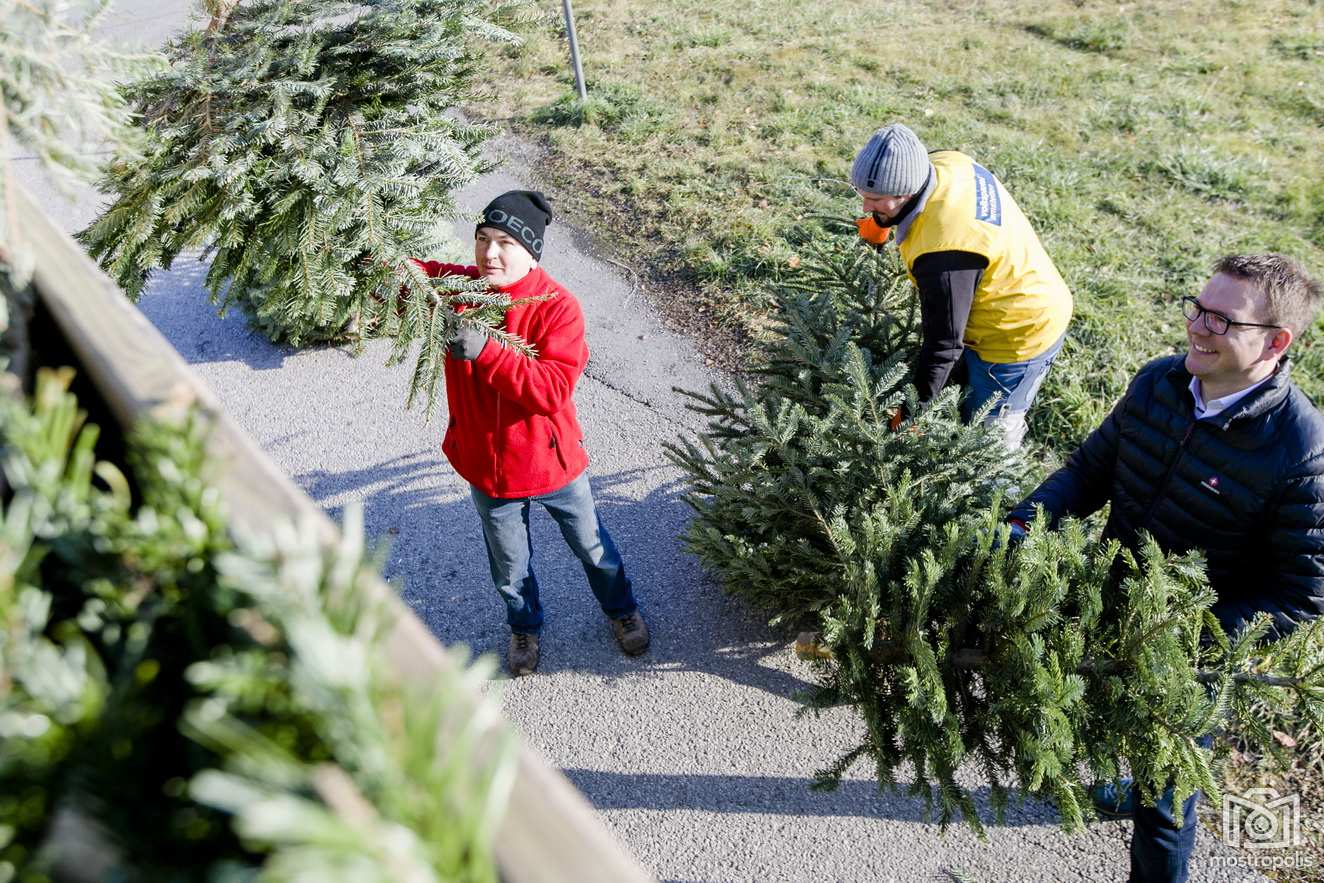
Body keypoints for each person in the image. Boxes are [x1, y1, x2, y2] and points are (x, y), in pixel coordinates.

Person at [1007, 254, 1324, 882]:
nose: (1198, 328)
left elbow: (1302, 595)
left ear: (1276, 341)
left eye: (1222, 320)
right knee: (1101, 712)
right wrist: (1025, 521)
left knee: (1166, 802)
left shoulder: (1300, 449)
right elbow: (1088, 472)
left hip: (1194, 651)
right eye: (1197, 308)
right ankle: (1126, 788)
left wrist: (1182, 644)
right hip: (1114, 598)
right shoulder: (1159, 382)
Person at [413, 189, 648, 676]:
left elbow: (551, 389)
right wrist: (367, 247)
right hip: (487, 468)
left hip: (551, 465)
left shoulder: (558, 308)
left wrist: (486, 351)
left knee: (591, 545)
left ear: (531, 250)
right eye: (481, 239)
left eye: (504, 242)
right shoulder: (461, 292)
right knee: (509, 563)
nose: (489, 253)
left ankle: (621, 611)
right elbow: (405, 278)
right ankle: (524, 626)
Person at [851, 123, 1073, 448]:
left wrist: (912, 412)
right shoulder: (946, 163)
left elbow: (943, 346)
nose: (865, 208)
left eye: (876, 200)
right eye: (862, 195)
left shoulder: (945, 251)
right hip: (1011, 283)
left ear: (907, 193)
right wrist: (882, 220)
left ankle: (1000, 490)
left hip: (1020, 332)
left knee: (989, 429)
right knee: (962, 394)